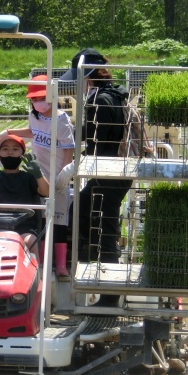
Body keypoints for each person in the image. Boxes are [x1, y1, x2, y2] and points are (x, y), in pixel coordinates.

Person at [60, 48, 131, 306]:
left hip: (106, 173)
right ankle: (91, 276)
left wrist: (79, 159)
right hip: (116, 171)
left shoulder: (99, 100)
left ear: (86, 74)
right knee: (82, 212)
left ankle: (109, 295)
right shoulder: (115, 94)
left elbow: (100, 141)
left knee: (104, 229)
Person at [0, 75, 75, 280]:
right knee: (37, 216)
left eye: (41, 97)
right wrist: (9, 131)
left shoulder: (61, 119)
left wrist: (64, 173)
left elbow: (69, 148)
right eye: (34, 99)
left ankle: (60, 266)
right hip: (37, 174)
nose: (37, 102)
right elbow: (32, 131)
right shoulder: (35, 116)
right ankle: (38, 261)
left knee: (58, 220)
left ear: (51, 95)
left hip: (58, 176)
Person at [0, 135, 49, 260]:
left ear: (23, 154)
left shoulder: (29, 177)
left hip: (24, 226)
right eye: (5, 149)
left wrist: (38, 174)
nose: (10, 152)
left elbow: (45, 191)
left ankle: (36, 274)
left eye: (15, 149)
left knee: (30, 241)